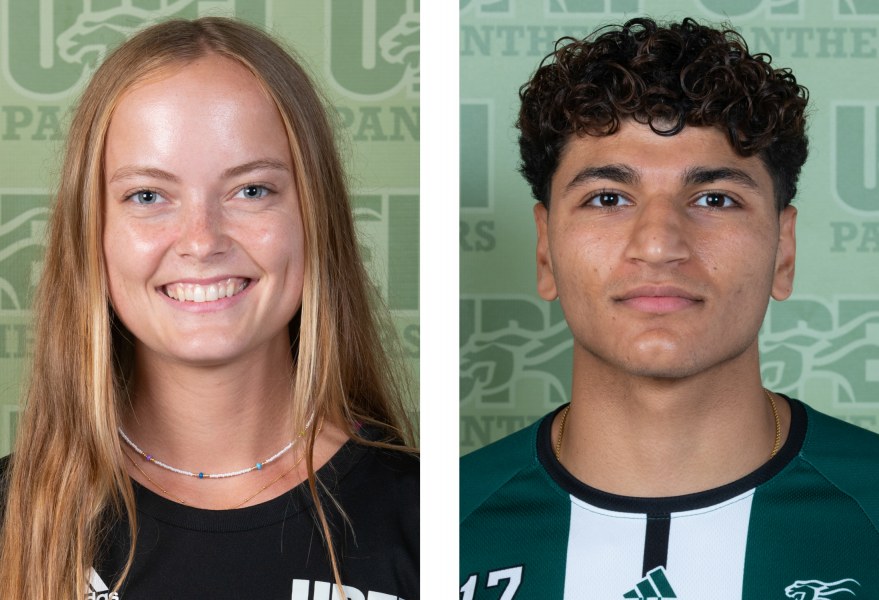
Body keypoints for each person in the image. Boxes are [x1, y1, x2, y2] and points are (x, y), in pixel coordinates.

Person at [460, 17, 879, 598]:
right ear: (545, 250)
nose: (658, 244)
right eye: (608, 198)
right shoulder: (443, 521)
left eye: (715, 198)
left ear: (784, 250)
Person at [0, 17, 418, 599]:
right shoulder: (10, 522)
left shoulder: (432, 525)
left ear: (314, 218)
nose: (202, 240)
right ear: (92, 233)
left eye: (251, 190)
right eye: (148, 196)